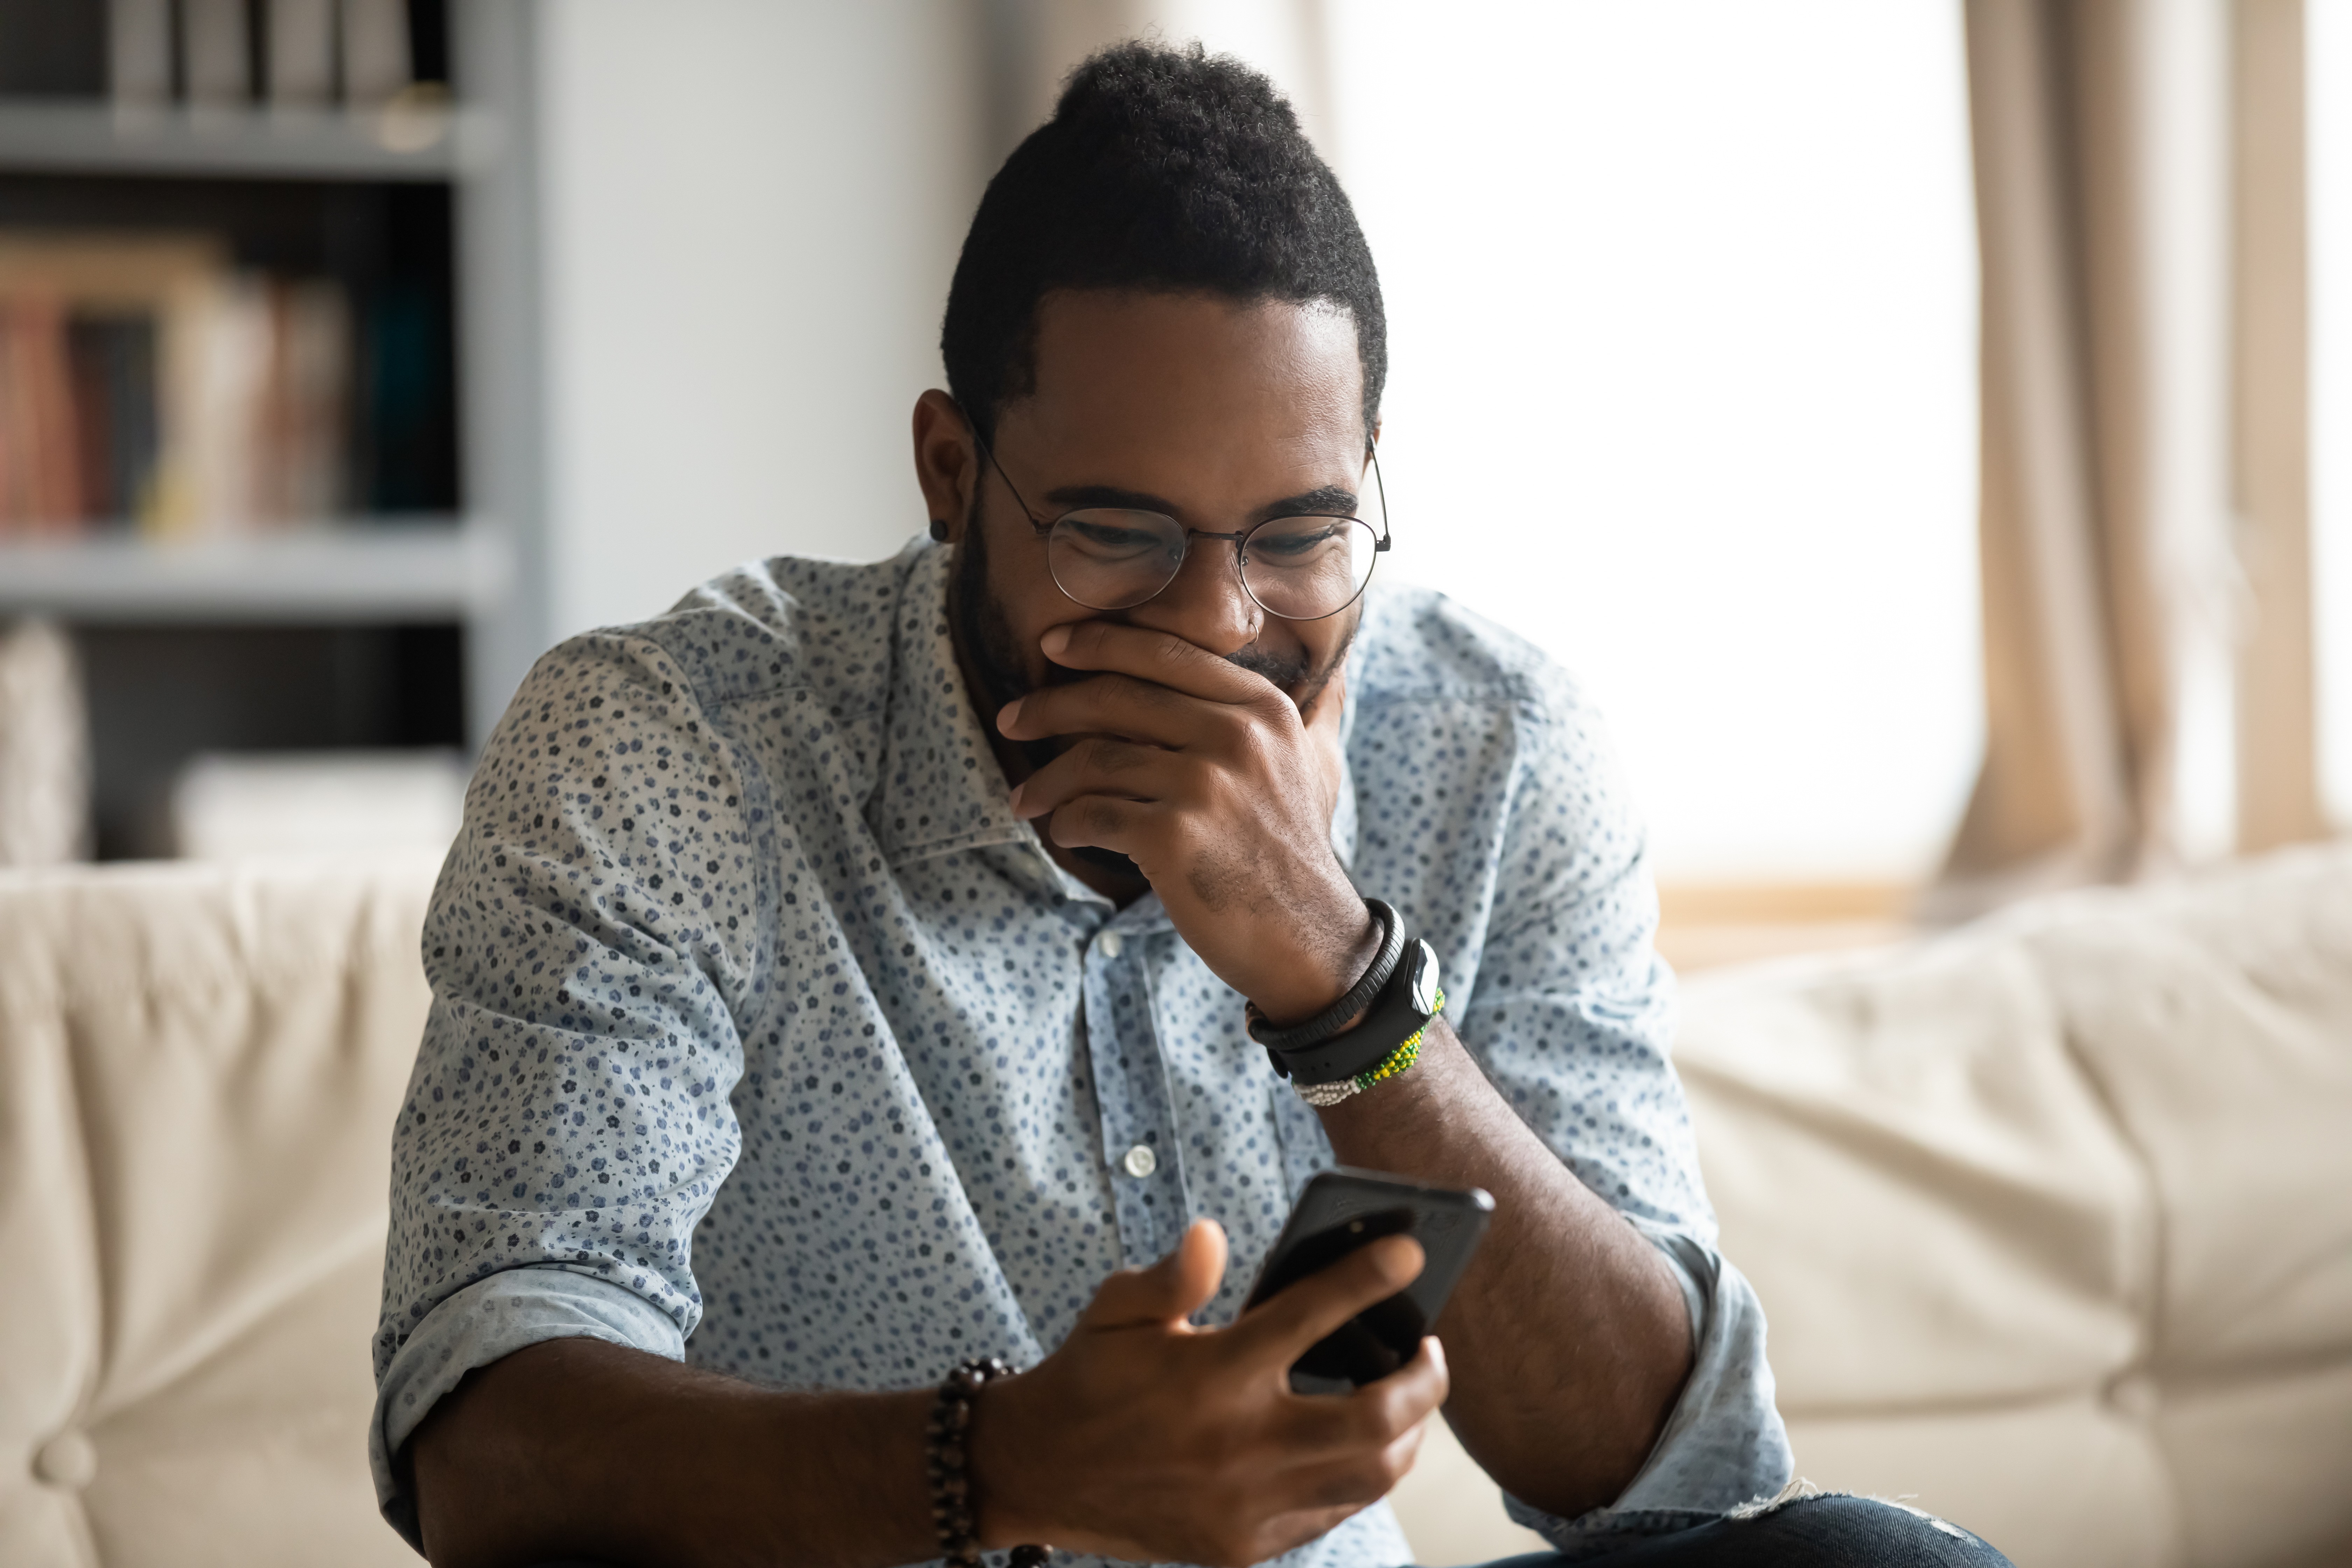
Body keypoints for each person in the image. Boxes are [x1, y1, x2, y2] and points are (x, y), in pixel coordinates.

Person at [373, 41, 2010, 1568]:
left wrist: (1342, 979)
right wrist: (1001, 1460)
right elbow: (486, 1440)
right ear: (952, 476)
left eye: (1298, 533)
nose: (1219, 628)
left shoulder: (1496, 750)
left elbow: (1669, 1481)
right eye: (1122, 532)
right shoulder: (668, 751)